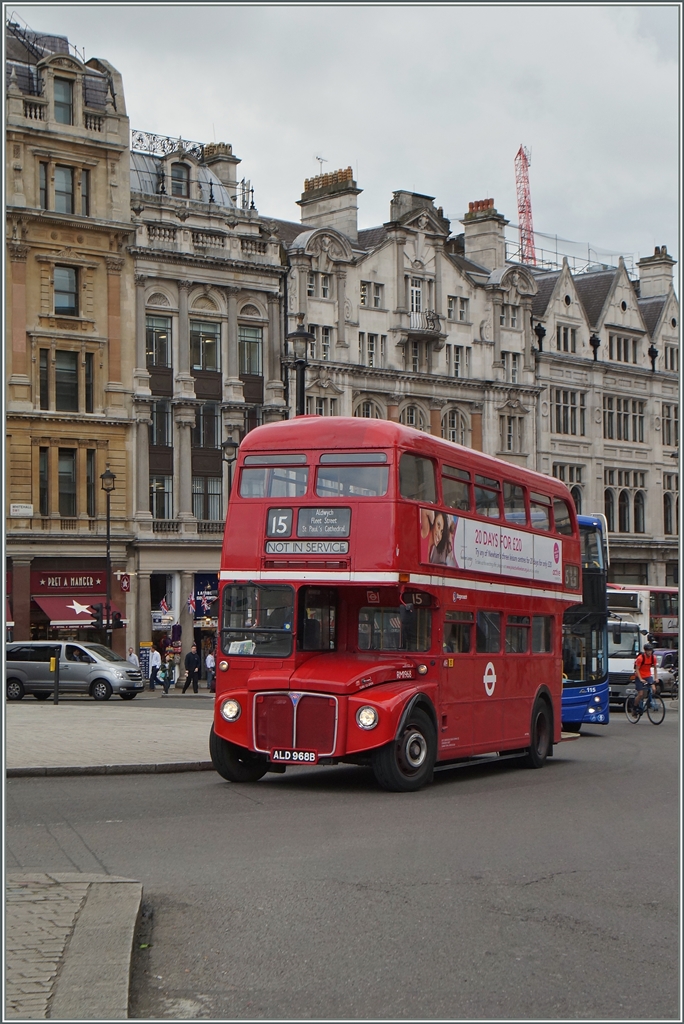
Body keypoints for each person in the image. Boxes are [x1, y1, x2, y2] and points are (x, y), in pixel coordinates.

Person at [633, 642, 659, 711]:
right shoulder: (640, 658)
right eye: (648, 651)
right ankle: (635, 707)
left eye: (650, 650)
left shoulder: (653, 658)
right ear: (645, 651)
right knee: (641, 694)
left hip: (648, 676)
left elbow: (655, 668)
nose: (649, 652)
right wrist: (641, 679)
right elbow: (637, 669)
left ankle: (649, 702)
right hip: (639, 676)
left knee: (653, 689)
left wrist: (656, 678)